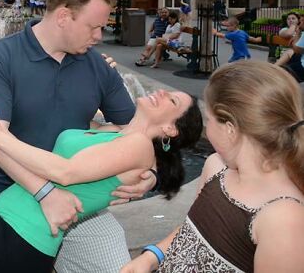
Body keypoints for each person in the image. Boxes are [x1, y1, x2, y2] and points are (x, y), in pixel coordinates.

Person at [0, 91, 202, 272]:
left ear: (171, 130)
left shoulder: (139, 147)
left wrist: (1, 139)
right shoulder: (115, 133)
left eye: (172, 101)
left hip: (20, 237)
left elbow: (65, 171)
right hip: (10, 230)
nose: (162, 93)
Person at [0, 0, 155, 273]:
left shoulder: (97, 67)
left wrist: (152, 173)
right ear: (64, 16)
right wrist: (46, 194)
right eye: (94, 27)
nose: (99, 37)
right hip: (1, 197)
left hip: (80, 208)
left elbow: (138, 130)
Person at [121, 61, 304, 273]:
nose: (207, 131)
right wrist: (153, 256)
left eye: (209, 119)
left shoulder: (283, 218)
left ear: (230, 129)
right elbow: (193, 229)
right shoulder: (216, 167)